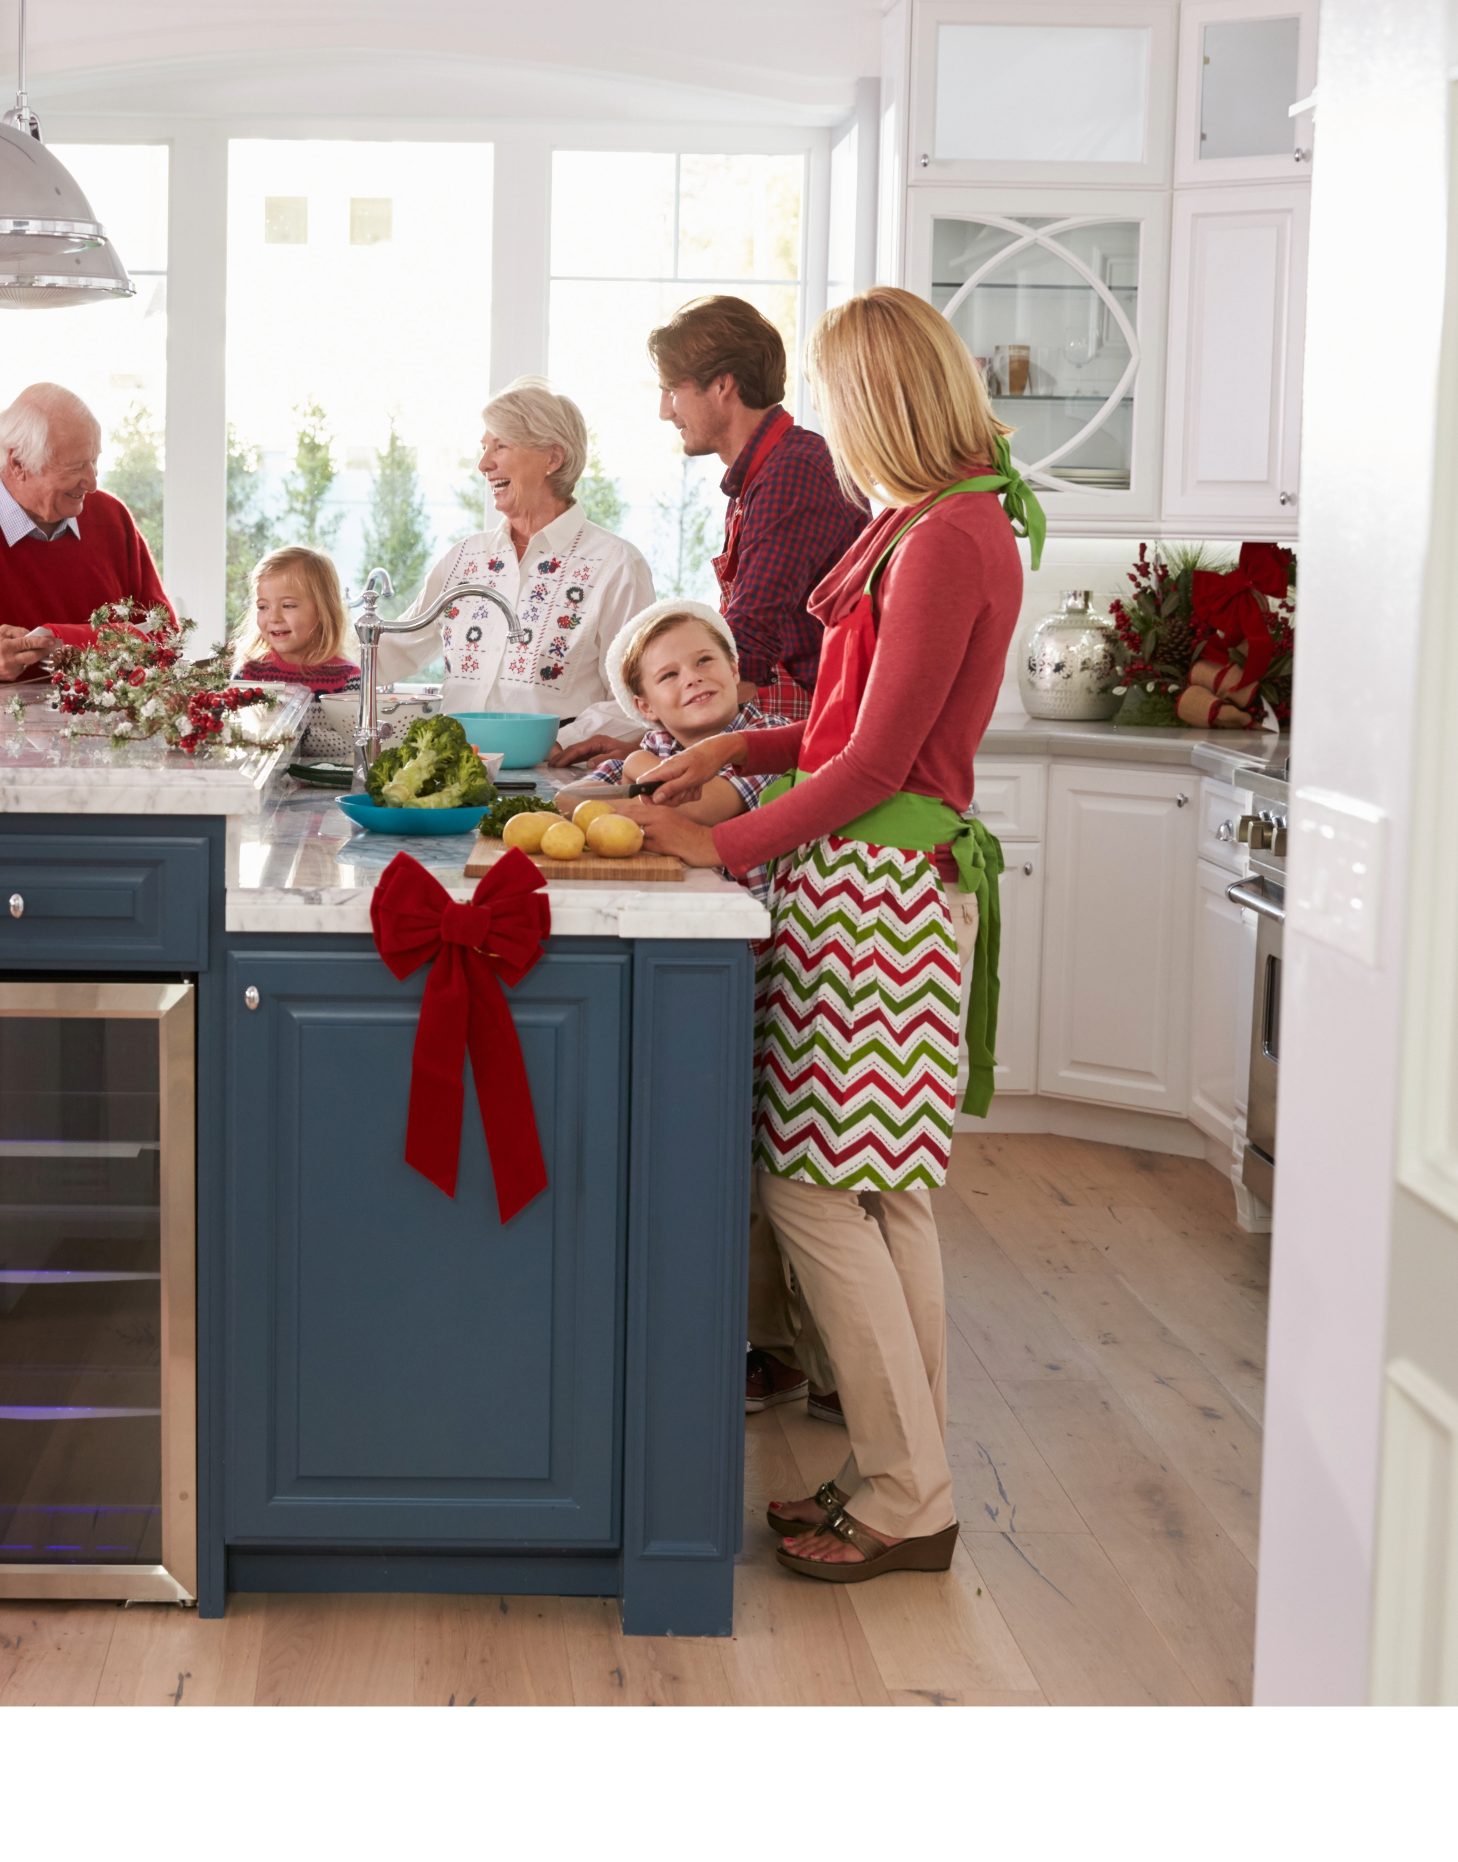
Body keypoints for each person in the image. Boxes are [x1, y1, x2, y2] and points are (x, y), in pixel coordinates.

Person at [620, 288, 1041, 1583]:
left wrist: (720, 839)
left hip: (882, 894)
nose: (838, 436)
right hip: (881, 886)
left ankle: (912, 1490)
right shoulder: (939, 524)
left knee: (815, 1189)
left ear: (884, 401)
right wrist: (734, 744)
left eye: (849, 405)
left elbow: (872, 765)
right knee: (889, 1195)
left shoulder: (948, 537)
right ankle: (903, 1470)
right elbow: (853, 729)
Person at [375, 377, 655, 752]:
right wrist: (309, 657)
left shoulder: (615, 563)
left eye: (501, 446)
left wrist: (561, 742)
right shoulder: (464, 558)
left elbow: (640, 693)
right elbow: (395, 647)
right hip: (457, 769)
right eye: (484, 447)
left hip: (558, 771)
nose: (483, 464)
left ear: (552, 459)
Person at [650, 295, 866, 727]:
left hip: (815, 723)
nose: (665, 411)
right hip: (787, 714)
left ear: (722, 385)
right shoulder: (760, 474)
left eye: (673, 390)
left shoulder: (794, 472)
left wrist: (662, 731)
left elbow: (746, 649)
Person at [0, 382, 169, 683]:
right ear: (18, 463)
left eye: (94, 461)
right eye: (75, 468)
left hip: (100, 728)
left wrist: (67, 639)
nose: (92, 482)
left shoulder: (112, 519)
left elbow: (165, 636)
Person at [566, 601, 776, 894]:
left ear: (733, 669)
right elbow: (568, 802)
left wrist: (636, 765)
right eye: (669, 675)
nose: (693, 678)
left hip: (748, 928)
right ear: (646, 706)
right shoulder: (657, 745)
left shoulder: (770, 735)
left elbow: (706, 806)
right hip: (674, 910)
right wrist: (636, 774)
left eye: (704, 660)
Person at [234, 545, 360, 695]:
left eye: (288, 606)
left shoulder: (349, 679)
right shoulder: (248, 675)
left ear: (322, 610)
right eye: (262, 607)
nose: (274, 618)